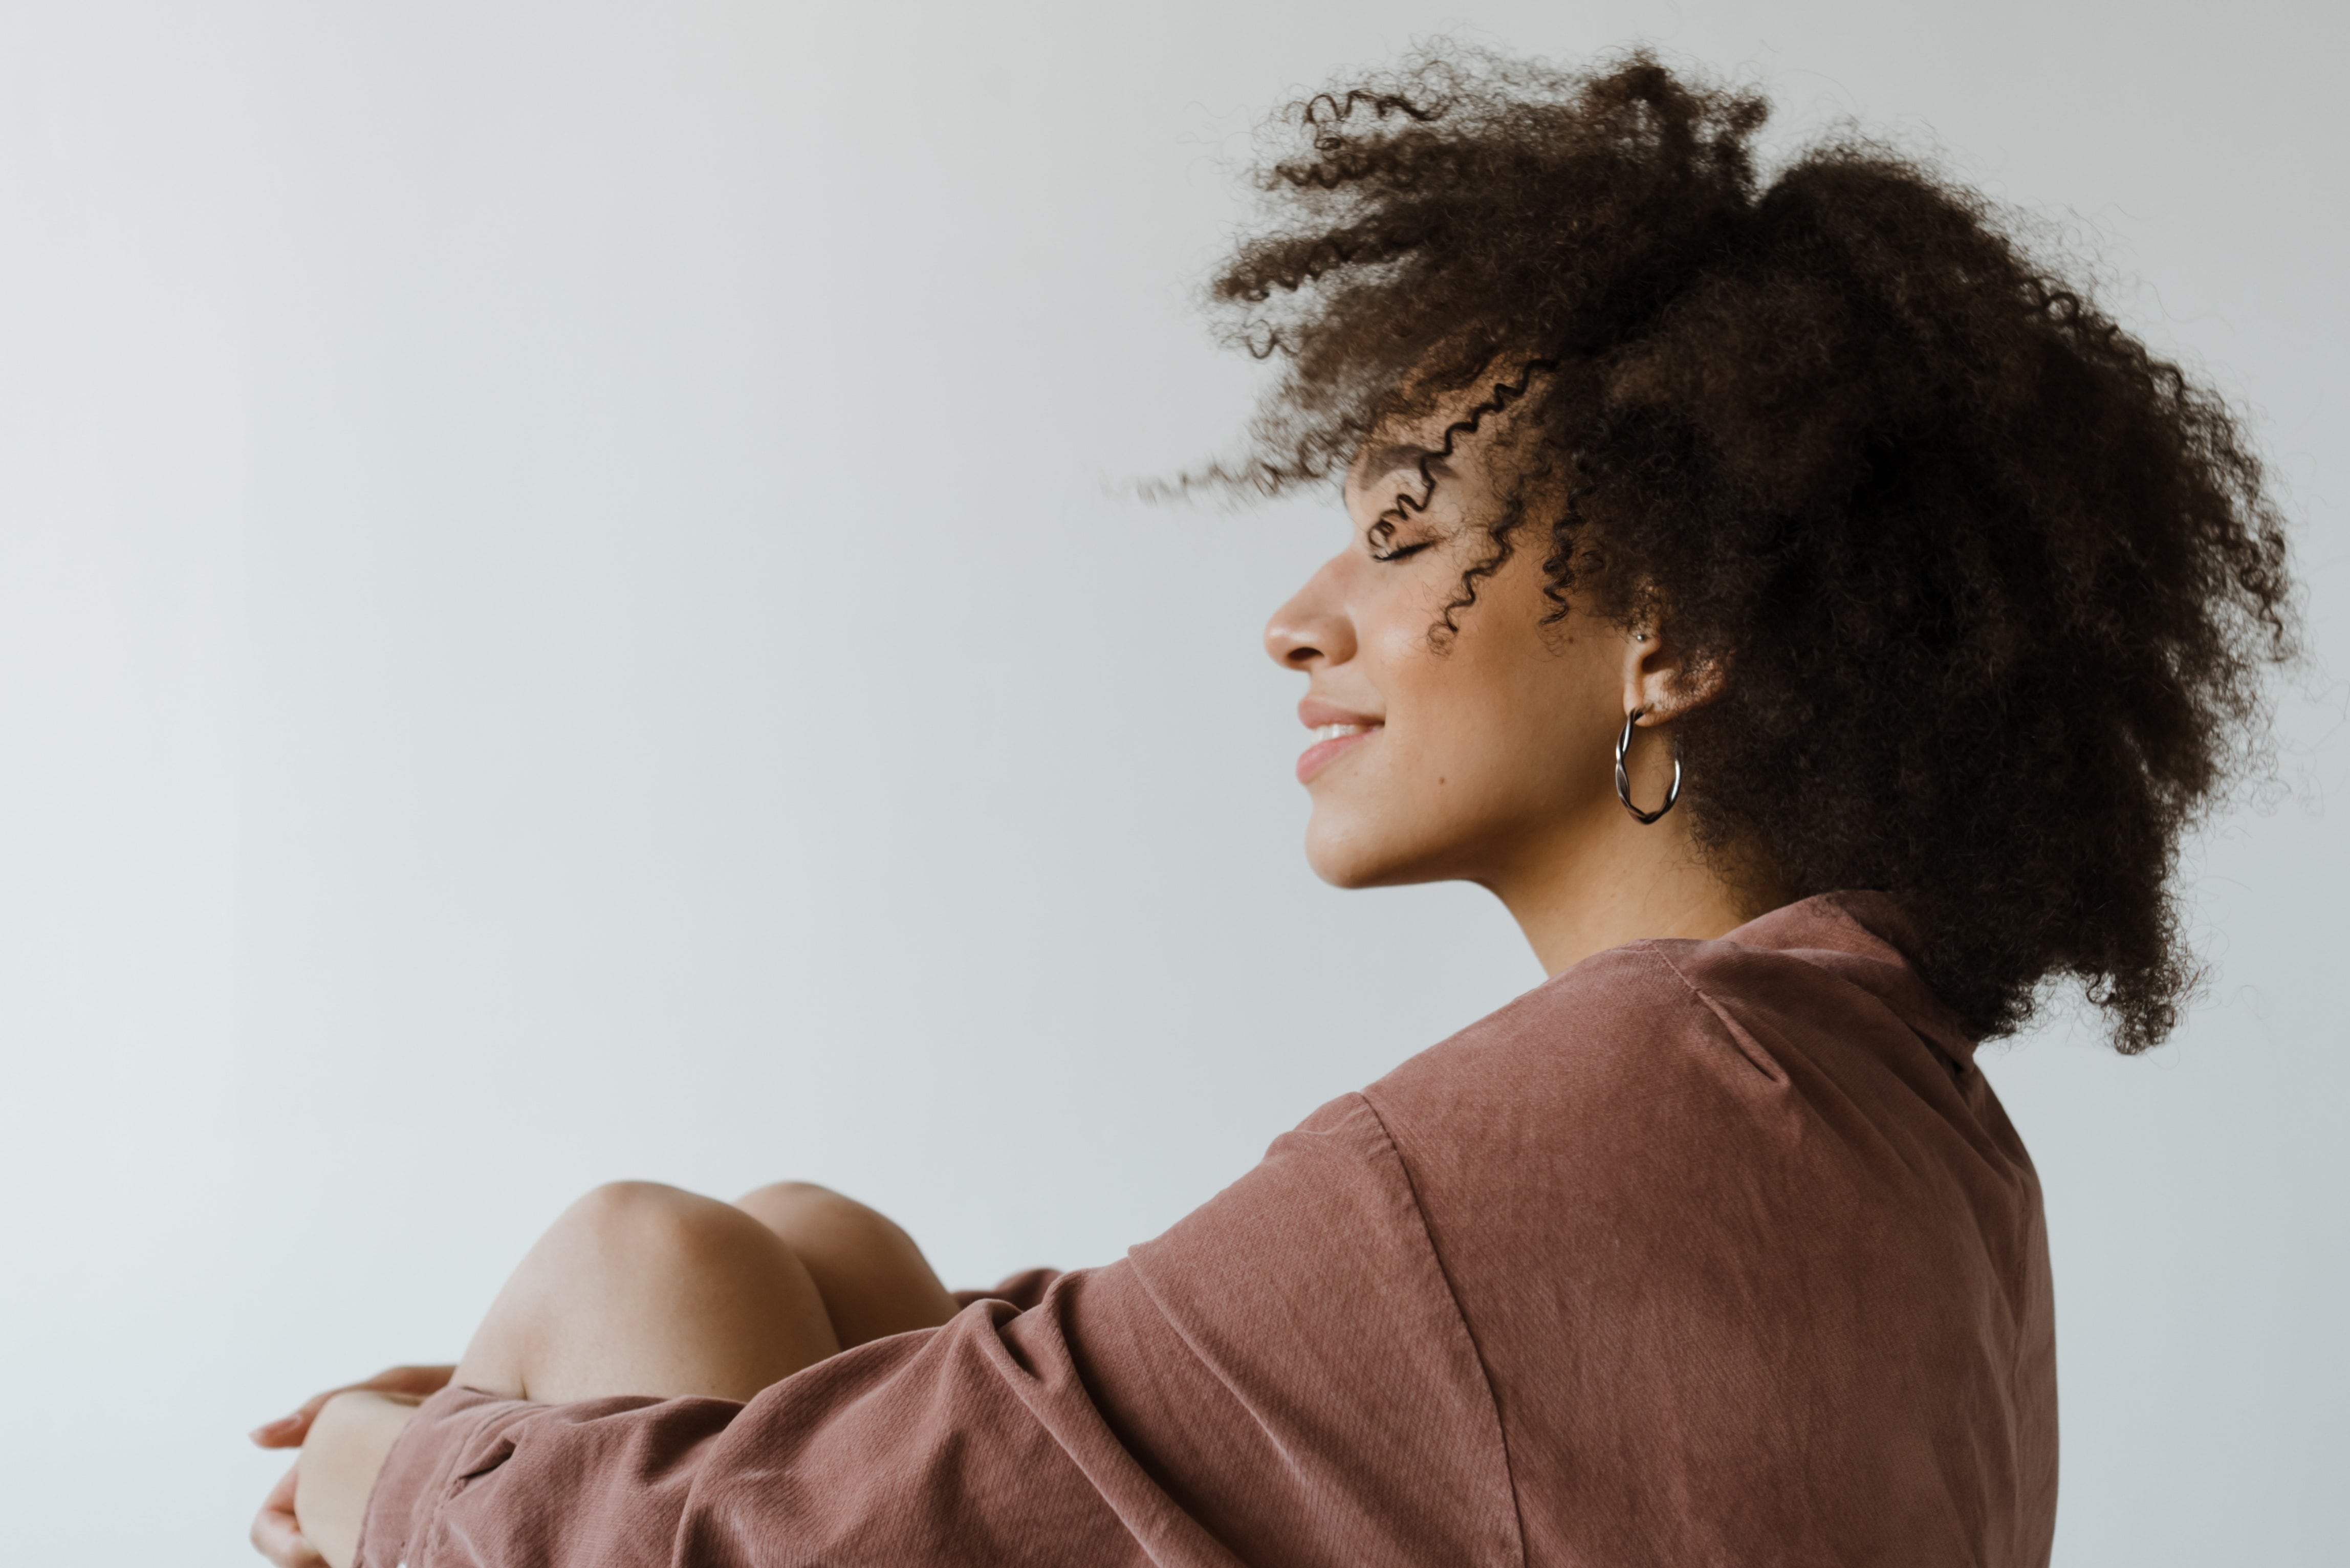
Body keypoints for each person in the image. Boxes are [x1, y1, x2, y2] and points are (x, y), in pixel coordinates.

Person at [249, 48, 2295, 1568]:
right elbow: (1144, 1402)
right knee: (820, 1257)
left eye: (1401, 530)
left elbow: (857, 1508)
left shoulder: (1638, 1079)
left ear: (1663, 634)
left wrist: (387, 1477)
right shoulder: (1881, 1103)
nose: (1295, 620)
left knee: (643, 1262)